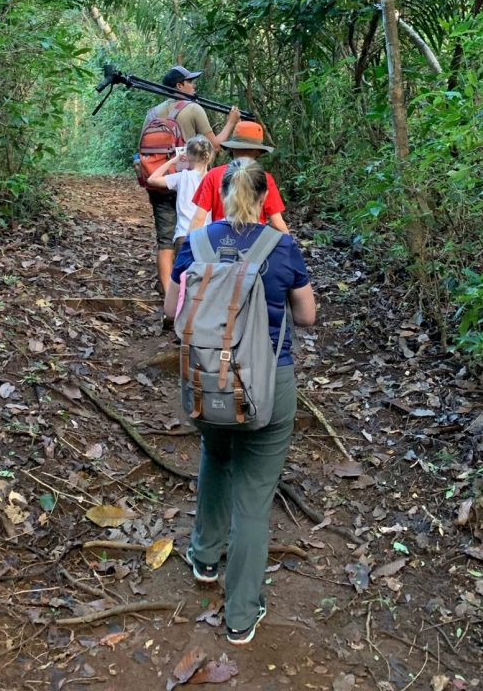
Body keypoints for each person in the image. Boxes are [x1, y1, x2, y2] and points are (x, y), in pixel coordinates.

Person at [163, 158, 316, 645]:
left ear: (221, 193)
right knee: (254, 496)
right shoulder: (283, 246)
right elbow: (307, 316)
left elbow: (173, 310)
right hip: (269, 386)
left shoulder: (197, 243)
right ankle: (241, 614)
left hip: (208, 380)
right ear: (264, 196)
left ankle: (205, 557)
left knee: (215, 454)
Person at [144, 65, 240, 292]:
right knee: (197, 231)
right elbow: (215, 145)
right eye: (190, 82)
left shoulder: (152, 112)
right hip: (194, 181)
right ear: (180, 86)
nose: (194, 85)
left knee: (165, 240)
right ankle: (199, 291)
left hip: (164, 179)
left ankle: (169, 293)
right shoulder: (193, 108)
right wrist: (231, 122)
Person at [190, 120, 287, 233]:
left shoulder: (213, 175)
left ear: (232, 148)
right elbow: (277, 223)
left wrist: (190, 246)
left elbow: (198, 219)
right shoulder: (265, 178)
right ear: (258, 151)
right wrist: (290, 246)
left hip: (220, 242)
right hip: (256, 243)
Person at [145, 135, 215, 258]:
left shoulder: (183, 177)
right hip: (208, 236)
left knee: (183, 276)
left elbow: (152, 179)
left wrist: (173, 160)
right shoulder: (214, 178)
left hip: (184, 235)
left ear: (188, 155)